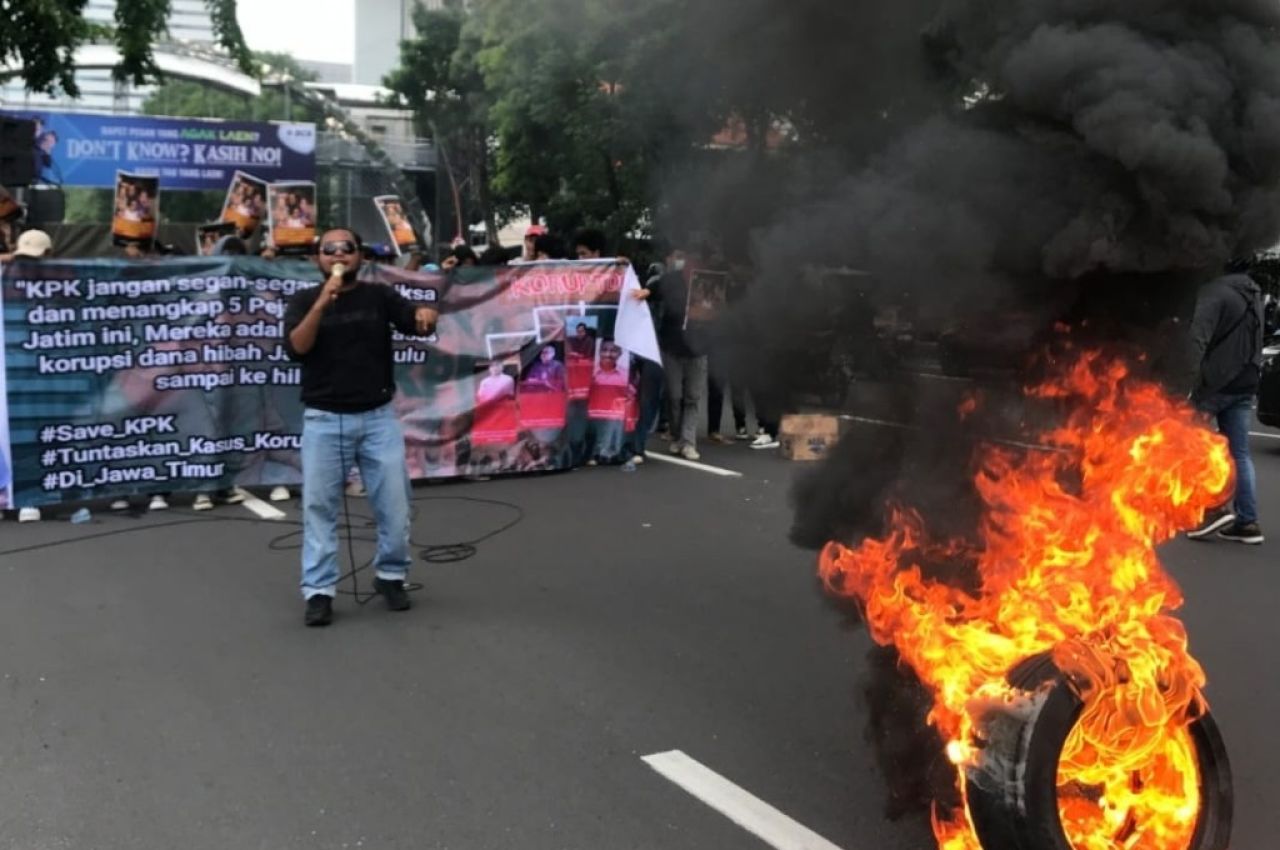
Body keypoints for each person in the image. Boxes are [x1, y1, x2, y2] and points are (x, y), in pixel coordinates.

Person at [283, 227, 438, 626]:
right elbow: (298, 348)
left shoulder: (378, 296)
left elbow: (414, 321)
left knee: (395, 508)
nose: (338, 254)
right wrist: (322, 303)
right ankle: (319, 590)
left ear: (360, 256)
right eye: (329, 249)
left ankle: (391, 575)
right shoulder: (303, 300)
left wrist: (425, 317)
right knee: (320, 509)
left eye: (346, 248)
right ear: (317, 258)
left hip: (377, 417)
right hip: (323, 419)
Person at [1186, 263, 1265, 544]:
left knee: (1189, 445)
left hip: (1216, 384)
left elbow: (1197, 340)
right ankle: (1247, 522)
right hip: (1245, 381)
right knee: (1240, 453)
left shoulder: (1214, 292)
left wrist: (1186, 381)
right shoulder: (1253, 292)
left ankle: (1212, 510)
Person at [632, 247, 707, 461]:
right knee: (674, 396)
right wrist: (645, 292)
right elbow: (654, 289)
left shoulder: (708, 282)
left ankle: (688, 441)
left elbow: (719, 307)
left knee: (693, 397)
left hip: (699, 348)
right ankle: (675, 434)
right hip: (672, 347)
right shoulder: (671, 280)